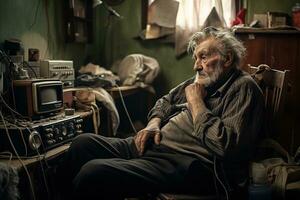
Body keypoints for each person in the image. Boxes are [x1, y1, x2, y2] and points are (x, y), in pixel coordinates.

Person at [57, 27, 265, 199]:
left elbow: (225, 146)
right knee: (81, 145)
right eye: (195, 58)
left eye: (203, 57)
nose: (196, 66)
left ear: (227, 59)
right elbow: (164, 102)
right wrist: (153, 124)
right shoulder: (205, 80)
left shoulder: (243, 88)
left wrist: (195, 103)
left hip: (187, 165)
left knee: (92, 173)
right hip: (155, 146)